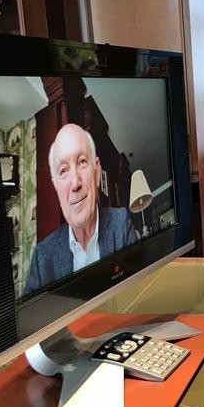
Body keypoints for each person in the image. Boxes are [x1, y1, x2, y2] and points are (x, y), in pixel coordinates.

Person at [24, 123, 137, 296]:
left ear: (97, 171)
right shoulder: (42, 258)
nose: (75, 183)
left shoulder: (121, 223)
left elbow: (138, 293)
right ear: (56, 186)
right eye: (63, 170)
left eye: (82, 162)